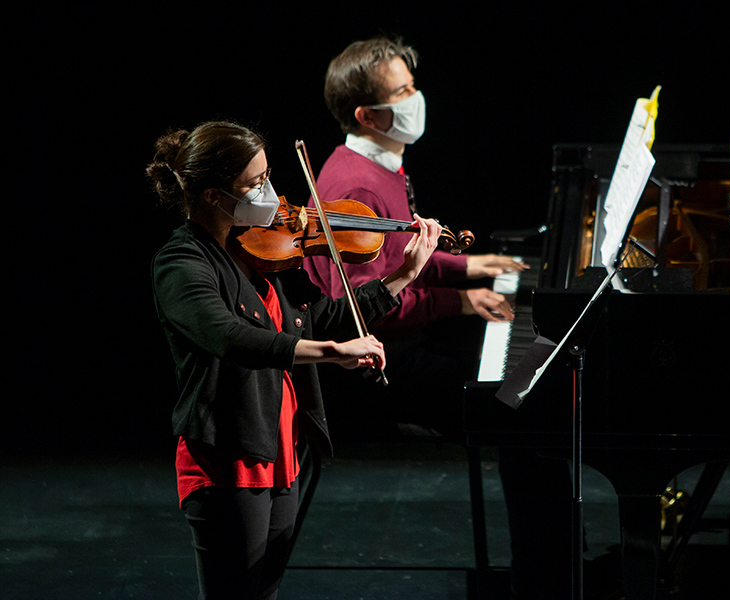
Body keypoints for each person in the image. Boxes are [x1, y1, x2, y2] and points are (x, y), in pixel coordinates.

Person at [304, 38, 577, 600]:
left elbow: (408, 255)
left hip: (406, 340)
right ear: (368, 115)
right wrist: (460, 300)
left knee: (528, 385)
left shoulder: (378, 163)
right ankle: (545, 580)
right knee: (523, 413)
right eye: (403, 92)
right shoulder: (354, 185)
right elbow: (365, 307)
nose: (416, 98)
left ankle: (550, 568)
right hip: (376, 368)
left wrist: (470, 264)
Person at [147, 120, 442, 600]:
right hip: (229, 458)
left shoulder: (259, 251)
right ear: (212, 197)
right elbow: (232, 337)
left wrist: (403, 276)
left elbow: (322, 317)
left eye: (268, 177)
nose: (271, 194)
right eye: (253, 184)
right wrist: (331, 355)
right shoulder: (181, 263)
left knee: (265, 592)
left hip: (282, 447)